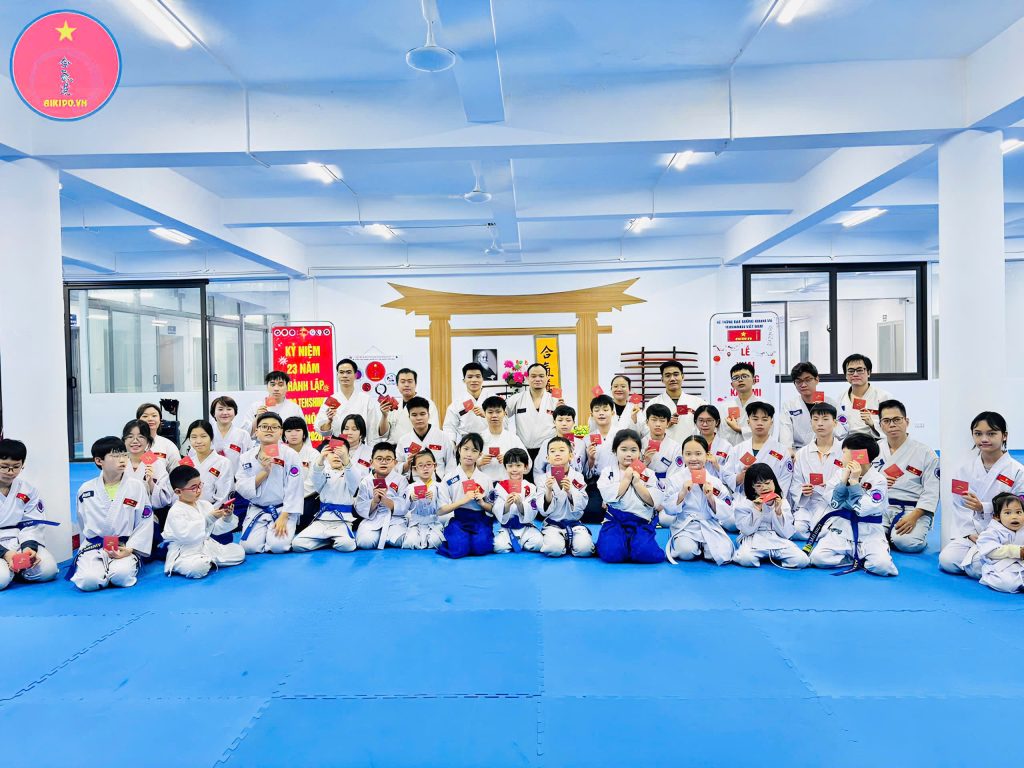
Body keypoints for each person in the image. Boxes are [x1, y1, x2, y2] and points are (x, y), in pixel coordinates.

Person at [939, 411, 1024, 579]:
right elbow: (959, 505)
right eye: (978, 434)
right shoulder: (963, 470)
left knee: (976, 562)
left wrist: (984, 507)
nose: (984, 439)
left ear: (1004, 436)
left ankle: (995, 564)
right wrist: (969, 533)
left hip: (1006, 531)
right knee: (947, 560)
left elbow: (1021, 504)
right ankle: (1004, 567)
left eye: (991, 434)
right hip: (974, 532)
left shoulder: (1017, 471)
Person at [804, 433, 898, 576]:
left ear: (859, 456)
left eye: (844, 453)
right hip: (842, 527)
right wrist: (843, 481)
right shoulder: (840, 473)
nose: (841, 458)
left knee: (882, 566)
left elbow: (863, 509)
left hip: (869, 531)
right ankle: (853, 558)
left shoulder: (878, 480)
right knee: (818, 558)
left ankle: (862, 557)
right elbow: (834, 503)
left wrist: (854, 482)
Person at [70, 436, 153, 591]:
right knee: (88, 581)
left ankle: (122, 564)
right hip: (94, 546)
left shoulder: (136, 487)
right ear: (99, 461)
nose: (122, 460)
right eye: (115, 456)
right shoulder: (86, 490)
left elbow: (144, 521)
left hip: (124, 546)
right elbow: (82, 521)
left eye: (124, 455)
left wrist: (131, 548)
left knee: (121, 576)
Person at [873, 399, 939, 553]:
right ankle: (888, 534)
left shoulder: (925, 453)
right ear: (880, 425)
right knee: (865, 537)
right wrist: (878, 482)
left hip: (912, 509)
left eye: (897, 419)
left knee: (907, 543)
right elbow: (863, 482)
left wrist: (914, 516)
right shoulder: (874, 450)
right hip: (880, 506)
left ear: (906, 422)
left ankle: (894, 536)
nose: (892, 424)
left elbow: (932, 490)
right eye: (886, 421)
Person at [234, 412, 304, 555]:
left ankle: (273, 537)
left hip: (282, 509)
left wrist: (284, 516)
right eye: (264, 426)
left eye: (274, 427)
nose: (269, 430)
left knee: (278, 547)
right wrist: (265, 472)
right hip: (257, 509)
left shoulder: (290, 455)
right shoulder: (246, 457)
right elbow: (241, 487)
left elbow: (295, 487)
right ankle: (263, 536)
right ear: (257, 431)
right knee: (249, 548)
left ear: (281, 432)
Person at [661, 435, 735, 566]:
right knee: (686, 552)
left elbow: (727, 511)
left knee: (720, 555)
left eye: (698, 454)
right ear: (682, 456)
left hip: (709, 524)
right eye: (688, 454)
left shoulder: (714, 482)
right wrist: (682, 493)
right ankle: (681, 540)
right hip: (686, 525)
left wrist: (711, 498)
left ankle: (705, 547)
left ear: (707, 455)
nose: (693, 458)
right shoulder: (675, 479)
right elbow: (668, 508)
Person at [161, 465, 244, 579]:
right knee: (198, 568)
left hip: (207, 546)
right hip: (185, 551)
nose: (199, 490)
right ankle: (193, 563)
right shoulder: (175, 511)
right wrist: (209, 519)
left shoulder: (205, 504)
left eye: (200, 485)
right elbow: (186, 536)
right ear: (178, 491)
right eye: (194, 487)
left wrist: (227, 517)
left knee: (239, 551)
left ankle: (208, 560)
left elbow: (216, 529)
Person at [595, 430, 664, 564]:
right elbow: (608, 497)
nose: (628, 454)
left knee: (646, 554)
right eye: (624, 449)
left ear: (639, 452)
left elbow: (653, 502)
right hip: (615, 521)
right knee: (612, 554)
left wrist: (637, 483)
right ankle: (618, 544)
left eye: (633, 450)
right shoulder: (607, 472)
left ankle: (632, 545)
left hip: (641, 522)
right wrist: (626, 480)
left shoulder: (649, 474)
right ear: (615, 451)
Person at [0, 439, 59, 589]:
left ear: (22, 465)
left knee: (48, 570)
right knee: (0, 579)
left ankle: (16, 569)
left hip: (19, 540)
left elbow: (32, 523)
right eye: (4, 466)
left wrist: (28, 548)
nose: (10, 472)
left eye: (16, 467)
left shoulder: (27, 490)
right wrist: (5, 553)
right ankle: (8, 569)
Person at [732, 462, 808, 569]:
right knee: (746, 559)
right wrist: (756, 510)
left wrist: (778, 512)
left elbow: (787, 533)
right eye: (758, 485)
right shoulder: (744, 504)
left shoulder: (782, 502)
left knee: (802, 560)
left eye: (767, 483)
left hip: (777, 538)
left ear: (774, 482)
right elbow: (746, 531)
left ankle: (776, 556)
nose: (764, 488)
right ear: (752, 487)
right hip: (753, 538)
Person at [292, 439, 360, 554]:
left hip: (342, 520)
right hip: (322, 520)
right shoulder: (323, 471)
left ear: (348, 455)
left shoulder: (352, 472)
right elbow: (316, 479)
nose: (336, 455)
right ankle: (327, 541)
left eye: (340, 452)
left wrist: (346, 461)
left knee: (347, 545)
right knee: (297, 544)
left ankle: (330, 539)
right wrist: (320, 459)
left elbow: (354, 480)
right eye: (332, 452)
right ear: (327, 455)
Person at [789, 402, 844, 540]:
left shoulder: (844, 451)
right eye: (815, 419)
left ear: (835, 423)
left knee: (826, 531)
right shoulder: (802, 453)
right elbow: (795, 483)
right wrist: (802, 491)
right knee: (797, 530)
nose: (820, 424)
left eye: (825, 419)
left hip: (832, 504)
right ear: (811, 423)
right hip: (808, 504)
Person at [436, 433, 496, 559]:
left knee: (480, 548)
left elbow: (493, 509)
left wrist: (482, 503)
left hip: (480, 520)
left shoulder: (486, 479)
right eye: (466, 449)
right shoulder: (449, 478)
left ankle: (472, 540)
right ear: (459, 449)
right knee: (458, 550)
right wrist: (463, 501)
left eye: (474, 450)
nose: (469, 454)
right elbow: (440, 510)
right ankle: (459, 538)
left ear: (480, 454)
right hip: (459, 519)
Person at [722, 402, 794, 502]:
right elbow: (726, 475)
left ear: (771, 423)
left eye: (764, 419)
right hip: (743, 503)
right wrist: (740, 477)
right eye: (755, 419)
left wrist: (770, 500)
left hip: (772, 503)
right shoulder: (737, 449)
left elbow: (785, 480)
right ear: (748, 422)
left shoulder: (782, 451)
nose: (759, 423)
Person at [535, 436, 593, 558]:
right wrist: (548, 490)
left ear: (571, 456)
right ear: (547, 458)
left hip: (574, 523)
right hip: (553, 525)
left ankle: (569, 542)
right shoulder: (543, 479)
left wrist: (570, 491)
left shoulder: (577, 477)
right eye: (552, 451)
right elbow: (543, 510)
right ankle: (563, 543)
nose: (557, 454)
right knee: (553, 549)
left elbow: (583, 504)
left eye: (562, 450)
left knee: (585, 549)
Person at [778, 362, 846, 454]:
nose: (803, 385)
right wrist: (789, 452)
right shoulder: (789, 406)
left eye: (808, 380)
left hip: (828, 451)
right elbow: (785, 435)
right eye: (798, 381)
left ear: (817, 379)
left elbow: (843, 431)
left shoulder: (831, 403)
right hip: (799, 453)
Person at [354, 442, 409, 549]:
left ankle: (386, 536)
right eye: (379, 459)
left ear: (395, 462)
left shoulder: (401, 480)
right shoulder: (366, 481)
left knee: (399, 540)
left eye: (388, 459)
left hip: (394, 518)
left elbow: (404, 505)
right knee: (365, 543)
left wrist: (385, 500)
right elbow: (360, 506)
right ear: (371, 462)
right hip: (373, 518)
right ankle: (381, 537)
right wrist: (374, 501)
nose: (383, 462)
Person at [505, 363, 560, 468]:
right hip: (523, 451)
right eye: (533, 376)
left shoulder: (555, 400)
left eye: (541, 376)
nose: (537, 379)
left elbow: (564, 424)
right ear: (527, 378)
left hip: (548, 451)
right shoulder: (517, 398)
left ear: (547, 378)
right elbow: (501, 414)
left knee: (547, 478)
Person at [314, 359, 380, 441]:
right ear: (337, 375)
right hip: (337, 444)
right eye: (341, 372)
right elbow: (323, 431)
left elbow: (373, 429)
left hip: (359, 444)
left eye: (348, 372)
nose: (345, 375)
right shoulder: (331, 400)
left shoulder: (366, 399)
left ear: (355, 375)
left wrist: (371, 448)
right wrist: (329, 421)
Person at [492, 448, 543, 553]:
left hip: (526, 528)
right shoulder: (500, 486)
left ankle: (518, 542)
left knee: (539, 543)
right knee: (497, 546)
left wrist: (520, 504)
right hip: (508, 528)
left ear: (525, 467)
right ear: (505, 467)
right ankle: (519, 542)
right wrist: (506, 506)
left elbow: (533, 510)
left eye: (518, 465)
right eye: (510, 466)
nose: (514, 469)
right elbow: (496, 508)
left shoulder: (530, 487)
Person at [646, 360, 707, 443]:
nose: (672, 379)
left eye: (676, 374)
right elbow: (644, 429)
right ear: (662, 379)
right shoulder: (653, 403)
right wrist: (664, 425)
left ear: (682, 376)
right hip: (663, 448)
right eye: (667, 375)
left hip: (691, 448)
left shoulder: (698, 402)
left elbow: (708, 427)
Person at [395, 396, 455, 478]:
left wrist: (444, 483)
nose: (419, 418)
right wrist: (407, 464)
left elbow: (451, 465)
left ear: (429, 415)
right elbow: (397, 466)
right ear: (409, 417)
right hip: (413, 484)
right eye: (414, 415)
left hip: (438, 483)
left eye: (422, 414)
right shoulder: (403, 440)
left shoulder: (443, 437)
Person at [976, 492, 1024, 594]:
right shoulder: (992, 531)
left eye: (1018, 512)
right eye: (1008, 513)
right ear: (997, 516)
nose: (1014, 517)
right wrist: (1017, 551)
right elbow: (990, 552)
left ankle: (1020, 582)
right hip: (997, 565)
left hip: (1019, 564)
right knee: (1008, 583)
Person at [837, 354, 893, 439]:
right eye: (851, 371)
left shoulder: (884, 397)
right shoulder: (841, 398)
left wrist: (872, 424)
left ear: (869, 373)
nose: (855, 374)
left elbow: (892, 424)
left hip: (876, 442)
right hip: (848, 442)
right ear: (846, 375)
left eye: (860, 370)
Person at [477, 395, 528, 486]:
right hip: (483, 486)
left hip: (509, 486)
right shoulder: (478, 439)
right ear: (484, 413)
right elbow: (465, 467)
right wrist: (478, 463)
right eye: (490, 412)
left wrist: (511, 460)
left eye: (498, 412)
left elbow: (528, 465)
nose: (494, 415)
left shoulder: (513, 438)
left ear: (504, 413)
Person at [380, 368, 440, 442]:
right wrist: (384, 416)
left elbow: (433, 432)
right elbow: (384, 434)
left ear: (415, 384)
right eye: (402, 382)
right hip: (393, 446)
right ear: (397, 385)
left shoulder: (426, 403)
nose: (406, 385)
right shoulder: (394, 404)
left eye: (410, 381)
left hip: (415, 446)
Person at [402, 449, 447, 550]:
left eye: (428, 464)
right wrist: (410, 498)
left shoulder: (439, 486)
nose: (425, 468)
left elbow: (443, 507)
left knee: (435, 542)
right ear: (415, 469)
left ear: (435, 466)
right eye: (421, 465)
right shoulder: (410, 487)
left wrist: (432, 500)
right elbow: (404, 509)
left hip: (432, 521)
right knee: (411, 542)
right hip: (416, 522)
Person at [282, 415, 321, 532]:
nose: (293, 434)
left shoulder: (313, 454)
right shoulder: (279, 454)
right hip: (283, 498)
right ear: (283, 434)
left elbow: (313, 482)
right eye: (289, 431)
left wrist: (294, 495)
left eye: (298, 430)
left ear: (304, 434)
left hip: (306, 497)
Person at [242, 371, 304, 436]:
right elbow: (244, 434)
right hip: (261, 442)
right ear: (267, 386)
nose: (276, 389)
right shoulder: (256, 406)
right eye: (272, 385)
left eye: (280, 385)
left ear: (287, 387)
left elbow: (303, 433)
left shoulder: (294, 408)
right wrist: (257, 418)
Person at [442, 362, 489, 444]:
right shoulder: (457, 404)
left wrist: (486, 414)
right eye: (470, 377)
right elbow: (449, 427)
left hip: (489, 440)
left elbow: (504, 422)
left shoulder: (492, 399)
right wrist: (452, 444)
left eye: (478, 376)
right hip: (466, 443)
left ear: (482, 379)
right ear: (464, 380)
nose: (474, 380)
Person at [720, 362, 763, 445]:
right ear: (732, 384)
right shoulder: (724, 407)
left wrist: (739, 429)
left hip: (755, 450)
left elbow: (766, 432)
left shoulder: (763, 405)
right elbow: (721, 434)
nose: (740, 380)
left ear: (754, 380)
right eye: (736, 378)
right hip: (729, 451)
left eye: (744, 376)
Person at [209, 396, 252, 476]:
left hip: (235, 480)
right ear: (213, 413)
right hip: (209, 479)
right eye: (220, 409)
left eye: (229, 409)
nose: (225, 413)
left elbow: (249, 459)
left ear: (235, 412)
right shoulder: (206, 433)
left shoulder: (243, 435)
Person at [535, 404, 581, 477]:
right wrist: (544, 483)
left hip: (575, 482)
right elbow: (538, 470)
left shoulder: (581, 444)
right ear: (554, 422)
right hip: (550, 482)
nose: (564, 424)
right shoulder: (546, 443)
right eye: (560, 420)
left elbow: (583, 469)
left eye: (568, 420)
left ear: (573, 422)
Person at [136, 402, 182, 468]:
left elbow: (177, 471)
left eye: (154, 416)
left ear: (160, 420)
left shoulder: (169, 445)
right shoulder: (131, 444)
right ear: (138, 420)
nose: (150, 419)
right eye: (145, 416)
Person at [693, 405, 732, 480]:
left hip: (719, 485)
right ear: (696, 422)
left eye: (709, 420)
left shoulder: (726, 446)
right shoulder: (690, 444)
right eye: (701, 420)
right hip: (694, 484)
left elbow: (731, 475)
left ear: (717, 422)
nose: (705, 424)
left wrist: (716, 465)